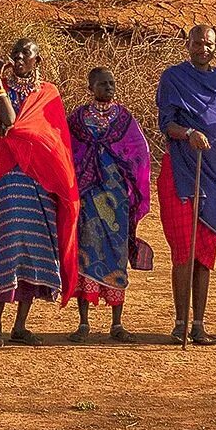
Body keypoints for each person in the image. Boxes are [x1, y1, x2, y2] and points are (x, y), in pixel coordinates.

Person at [0, 38, 80, 347]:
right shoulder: (2, 91)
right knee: (9, 248)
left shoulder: (49, 94)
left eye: (26, 53)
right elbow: (10, 122)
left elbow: (55, 137)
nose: (20, 57)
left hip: (44, 180)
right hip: (12, 178)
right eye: (17, 52)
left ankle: (20, 326)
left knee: (39, 251)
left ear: (38, 61)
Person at [155, 25, 216, 345]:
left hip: (215, 172)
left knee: (204, 253)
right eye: (198, 42)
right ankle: (180, 321)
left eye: (209, 43)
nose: (203, 48)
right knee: (183, 252)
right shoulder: (173, 77)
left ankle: (198, 323)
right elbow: (167, 123)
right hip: (182, 172)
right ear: (187, 44)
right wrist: (188, 134)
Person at [68, 67, 153, 342]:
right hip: (88, 196)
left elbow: (140, 152)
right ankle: (83, 323)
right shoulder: (78, 119)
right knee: (86, 252)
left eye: (112, 83)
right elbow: (68, 150)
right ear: (90, 86)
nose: (109, 87)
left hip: (117, 198)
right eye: (103, 84)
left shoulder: (125, 119)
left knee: (116, 254)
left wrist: (129, 178)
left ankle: (117, 323)